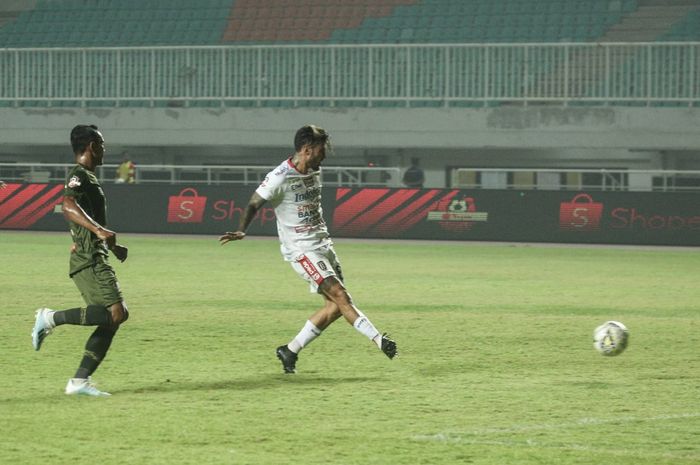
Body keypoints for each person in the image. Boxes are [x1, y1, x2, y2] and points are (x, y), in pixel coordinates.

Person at [219, 124, 397, 374]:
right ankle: (380, 340)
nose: (325, 156)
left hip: (323, 244)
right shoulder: (280, 176)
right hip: (302, 249)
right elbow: (254, 202)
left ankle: (289, 350)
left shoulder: (314, 168)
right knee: (342, 298)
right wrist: (242, 229)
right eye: (321, 150)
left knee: (335, 307)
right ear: (306, 149)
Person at [31, 124, 129, 397]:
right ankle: (49, 318)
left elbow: (80, 216)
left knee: (114, 317)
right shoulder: (79, 175)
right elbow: (68, 206)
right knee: (115, 314)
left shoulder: (87, 177)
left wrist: (112, 245)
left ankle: (78, 382)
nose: (104, 149)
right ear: (91, 146)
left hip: (92, 252)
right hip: (89, 258)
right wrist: (98, 232)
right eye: (101, 143)